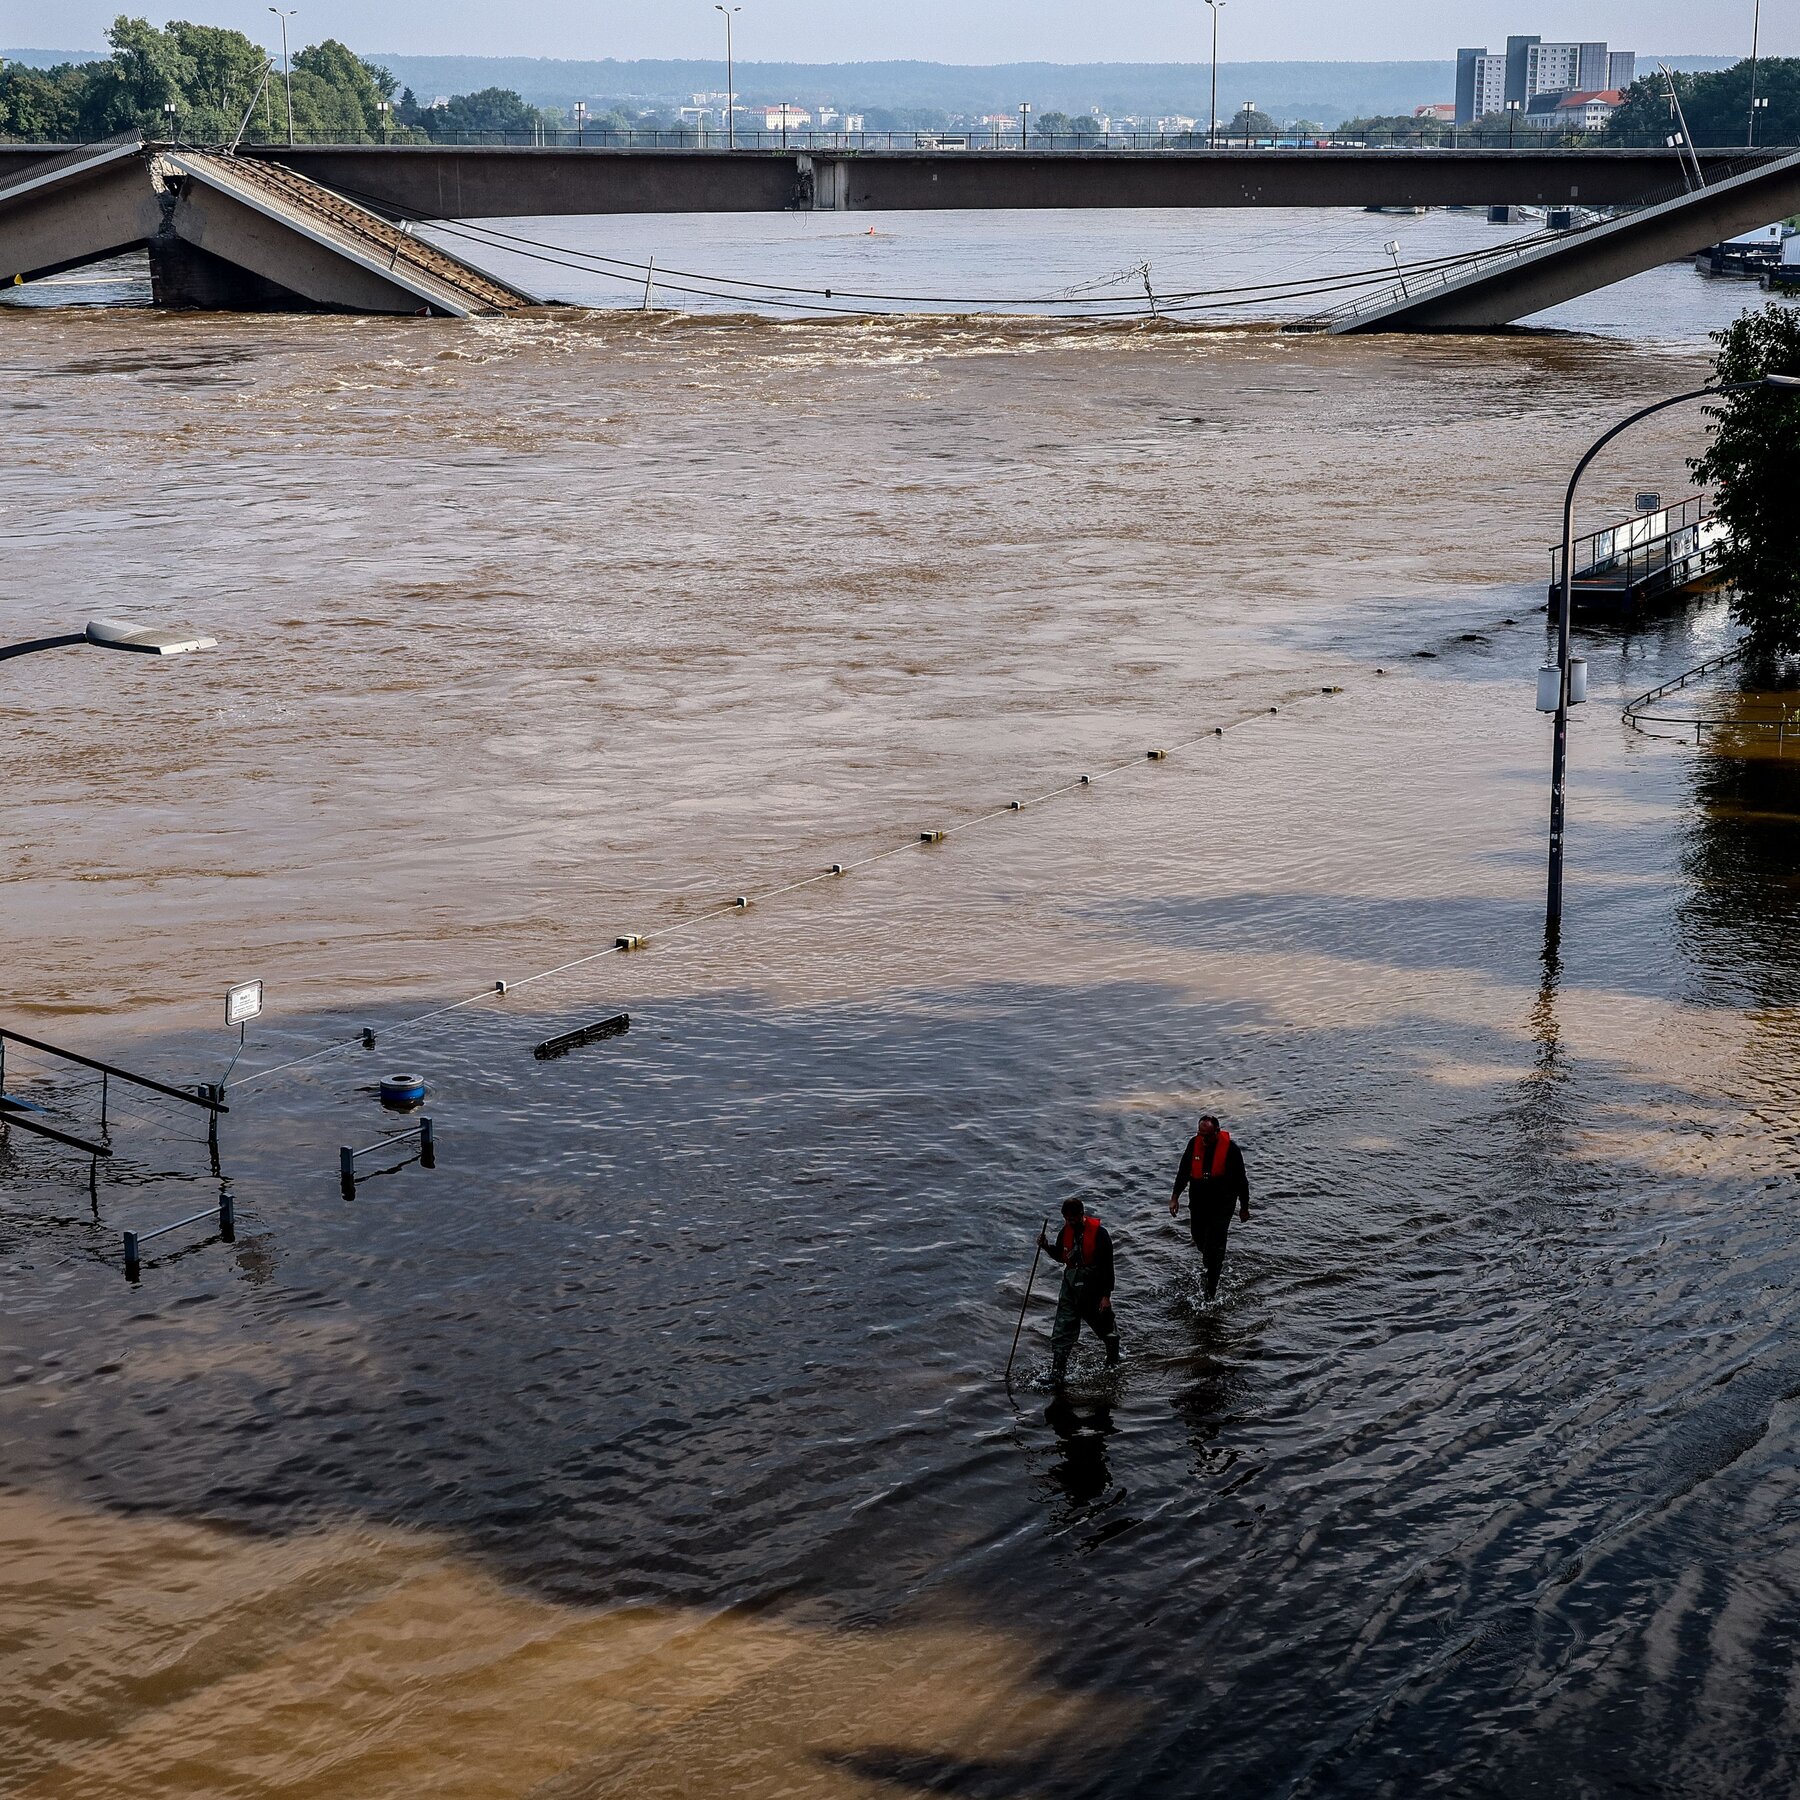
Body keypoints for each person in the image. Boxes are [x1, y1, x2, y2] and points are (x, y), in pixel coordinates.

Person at [1040, 1197, 1122, 1386]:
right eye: (1067, 1219)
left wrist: (1105, 1296)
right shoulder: (1065, 1232)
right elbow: (1061, 1256)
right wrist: (1046, 1247)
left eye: (1073, 1218)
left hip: (1093, 1287)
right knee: (1062, 1328)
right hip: (1070, 1286)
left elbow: (1107, 1268)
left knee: (1104, 1326)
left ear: (1081, 1215)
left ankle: (1113, 1361)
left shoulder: (1100, 1234)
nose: (1070, 1222)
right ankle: (1057, 1373)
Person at [1169, 1114, 1250, 1301]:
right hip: (1199, 1202)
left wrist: (1244, 1207)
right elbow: (1183, 1172)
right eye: (1200, 1134)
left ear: (1217, 1132)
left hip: (1222, 1204)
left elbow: (1241, 1182)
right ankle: (1211, 1263)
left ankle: (1210, 1292)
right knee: (1199, 1239)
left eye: (1207, 1136)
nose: (1203, 1140)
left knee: (1215, 1244)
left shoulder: (1231, 1150)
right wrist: (1175, 1197)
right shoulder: (1194, 1144)